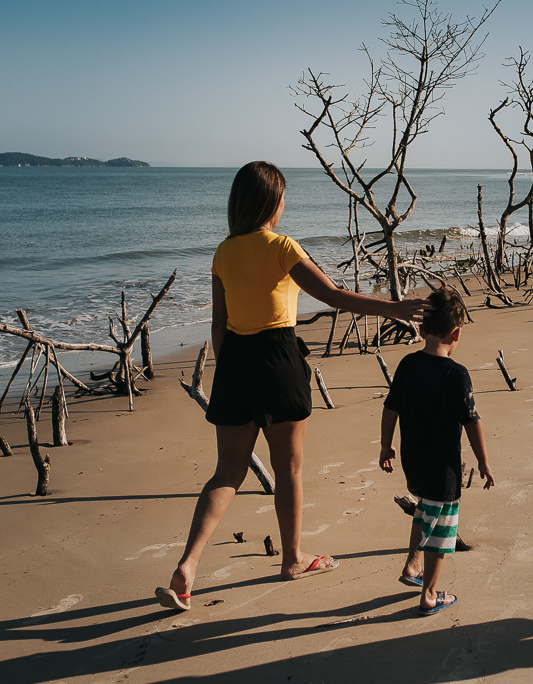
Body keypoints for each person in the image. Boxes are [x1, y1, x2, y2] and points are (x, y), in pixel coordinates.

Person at [156, 161, 429, 611]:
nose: (285, 204)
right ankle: (293, 559)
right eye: (282, 197)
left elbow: (218, 326)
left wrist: (232, 373)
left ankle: (186, 567)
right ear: (271, 202)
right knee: (289, 471)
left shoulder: (223, 252)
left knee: (227, 473)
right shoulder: (282, 246)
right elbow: (334, 297)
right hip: (278, 359)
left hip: (236, 363)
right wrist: (395, 308)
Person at [378, 287, 494, 616]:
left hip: (412, 463)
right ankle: (429, 594)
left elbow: (390, 410)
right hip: (444, 469)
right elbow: (472, 422)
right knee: (442, 530)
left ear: (422, 330)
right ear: (456, 333)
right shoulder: (456, 374)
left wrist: (386, 446)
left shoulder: (407, 364)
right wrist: (484, 463)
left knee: (423, 511)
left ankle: (412, 567)